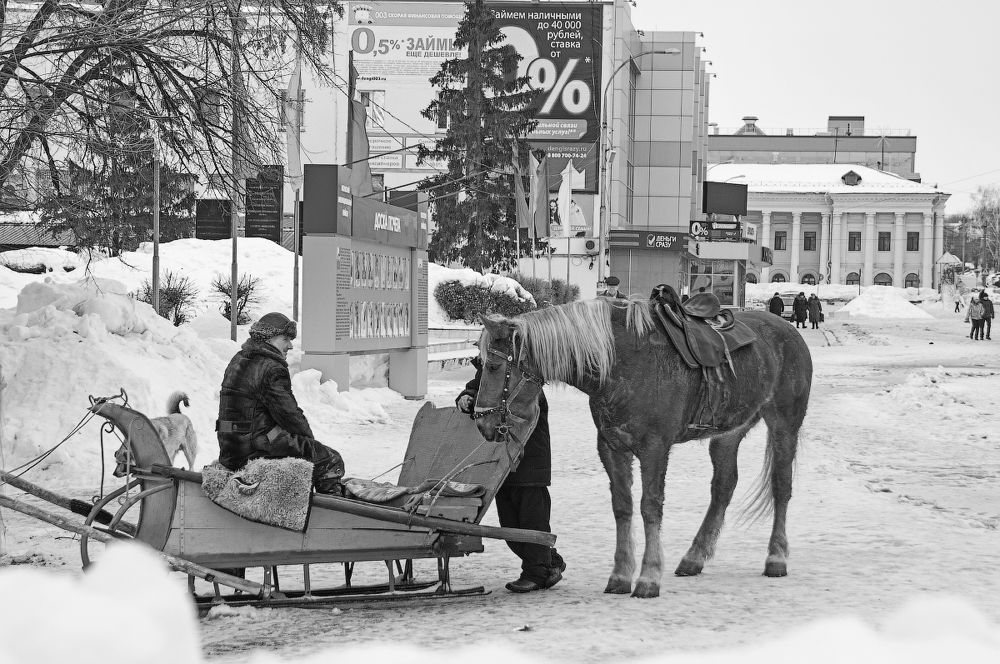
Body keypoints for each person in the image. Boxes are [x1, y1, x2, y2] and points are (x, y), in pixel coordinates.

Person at [456, 358, 565, 592]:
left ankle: (537, 573)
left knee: (532, 521)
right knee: (509, 524)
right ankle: (549, 562)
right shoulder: (491, 371)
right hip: (501, 460)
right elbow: (479, 389)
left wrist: (481, 400)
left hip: (529, 460)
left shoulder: (526, 375)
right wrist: (467, 396)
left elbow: (513, 404)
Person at [216, 312, 346, 494]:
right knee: (330, 460)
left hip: (230, 448)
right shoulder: (272, 367)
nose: (290, 345)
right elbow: (289, 414)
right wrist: (310, 444)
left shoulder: (239, 359)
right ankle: (328, 508)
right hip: (253, 449)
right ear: (268, 338)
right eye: (285, 339)